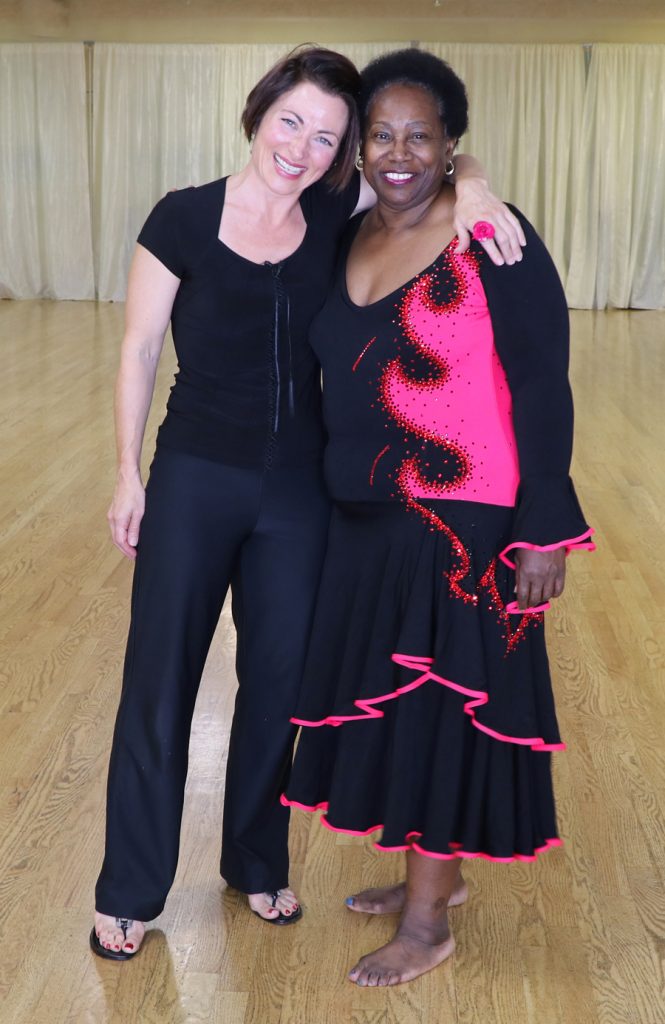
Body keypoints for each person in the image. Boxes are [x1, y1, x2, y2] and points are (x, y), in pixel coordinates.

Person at [90, 44, 526, 960]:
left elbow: (424, 163)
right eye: (290, 122)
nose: (302, 148)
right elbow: (138, 349)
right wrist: (127, 473)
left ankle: (254, 861)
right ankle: (129, 887)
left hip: (299, 490)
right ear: (258, 115)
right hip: (195, 479)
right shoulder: (182, 218)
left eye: (326, 137)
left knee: (279, 683)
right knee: (158, 683)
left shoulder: (334, 211)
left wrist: (477, 184)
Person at [281, 48, 595, 987]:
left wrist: (543, 524)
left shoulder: (489, 235)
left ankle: (426, 924)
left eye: (420, 135)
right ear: (359, 148)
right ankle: (435, 874)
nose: (398, 152)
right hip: (363, 516)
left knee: (443, 716)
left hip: (463, 522)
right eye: (381, 134)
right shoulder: (344, 232)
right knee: (400, 706)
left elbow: (542, 381)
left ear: (451, 142)